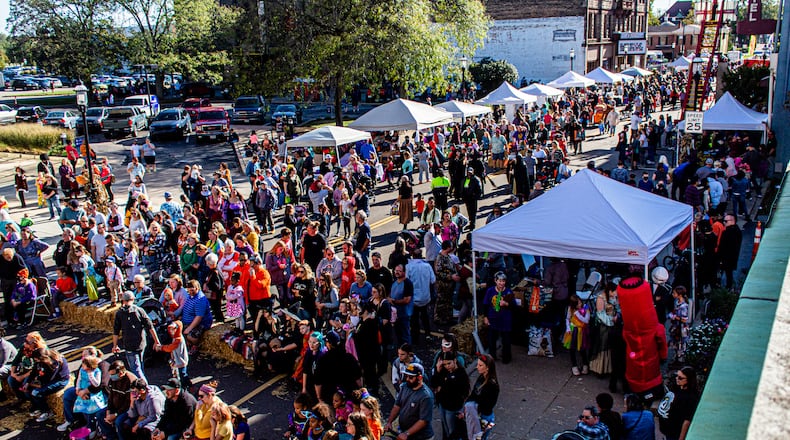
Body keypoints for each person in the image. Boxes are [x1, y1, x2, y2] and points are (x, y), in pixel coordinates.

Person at [113, 291, 162, 382]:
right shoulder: (140, 310)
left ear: (123, 300)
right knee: (140, 364)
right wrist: (157, 341)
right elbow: (150, 327)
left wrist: (115, 345)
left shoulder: (119, 313)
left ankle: (143, 385)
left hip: (129, 344)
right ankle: (142, 382)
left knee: (135, 369)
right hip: (141, 343)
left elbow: (116, 331)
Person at [385, 363, 435, 440]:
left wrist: (406, 433)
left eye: (411, 377)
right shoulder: (405, 386)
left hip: (421, 437)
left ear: (420, 377)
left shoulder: (426, 396)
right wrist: (389, 422)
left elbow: (423, 421)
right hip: (404, 432)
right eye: (406, 376)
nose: (407, 379)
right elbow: (397, 405)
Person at [431, 351, 470, 440]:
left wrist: (442, 385)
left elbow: (458, 391)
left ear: (455, 360)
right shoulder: (443, 370)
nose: (447, 366)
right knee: (446, 430)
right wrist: (437, 369)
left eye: (449, 363)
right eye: (445, 364)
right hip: (442, 404)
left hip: (453, 407)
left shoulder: (461, 373)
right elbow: (434, 384)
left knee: (453, 432)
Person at [99, 360, 139, 440]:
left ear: (121, 373)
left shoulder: (131, 382)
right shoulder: (113, 380)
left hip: (127, 409)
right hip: (116, 407)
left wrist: (115, 415)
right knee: (100, 415)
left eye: (113, 375)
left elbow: (129, 403)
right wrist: (108, 411)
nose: (111, 377)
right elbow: (111, 396)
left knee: (118, 422)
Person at [462, 354, 499, 440]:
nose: (477, 367)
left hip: (485, 417)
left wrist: (473, 406)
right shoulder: (481, 377)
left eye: (480, 365)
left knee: (479, 438)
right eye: (477, 364)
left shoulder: (492, 385)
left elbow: (488, 404)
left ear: (487, 367)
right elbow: (474, 394)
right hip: (477, 413)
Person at [658, 367, 700, 440]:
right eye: (677, 376)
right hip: (666, 429)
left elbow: (686, 421)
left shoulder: (691, 397)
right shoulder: (677, 386)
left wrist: (681, 438)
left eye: (680, 378)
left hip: (674, 433)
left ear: (688, 380)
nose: (677, 378)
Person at [483, 271, 514, 363]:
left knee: (506, 340)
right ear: (495, 281)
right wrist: (485, 317)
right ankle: (492, 357)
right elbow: (485, 304)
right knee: (492, 339)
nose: (501, 283)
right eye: (499, 281)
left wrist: (506, 303)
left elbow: (514, 306)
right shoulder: (490, 291)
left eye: (503, 281)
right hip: (493, 319)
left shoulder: (509, 291)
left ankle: (506, 358)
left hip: (505, 320)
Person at [182, 279, 213, 354]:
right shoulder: (191, 296)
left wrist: (189, 329)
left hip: (201, 323)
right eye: (189, 290)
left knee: (191, 336)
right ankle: (187, 343)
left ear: (197, 288)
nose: (190, 292)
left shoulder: (200, 299)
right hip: (188, 321)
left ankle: (196, 345)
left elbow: (198, 318)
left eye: (192, 290)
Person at [564, 294, 591, 376]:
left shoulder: (586, 308)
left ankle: (585, 365)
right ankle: (574, 366)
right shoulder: (570, 309)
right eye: (578, 304)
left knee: (582, 348)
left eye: (580, 302)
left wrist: (578, 315)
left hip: (582, 331)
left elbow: (586, 320)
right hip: (573, 330)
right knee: (572, 348)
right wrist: (568, 328)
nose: (580, 305)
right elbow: (567, 319)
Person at [390, 264, 414, 346]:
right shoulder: (394, 282)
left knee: (405, 335)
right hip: (395, 314)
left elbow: (407, 300)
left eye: (399, 271)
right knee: (398, 335)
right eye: (396, 271)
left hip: (404, 314)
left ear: (404, 272)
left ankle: (408, 352)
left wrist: (394, 301)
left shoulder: (407, 283)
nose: (397, 273)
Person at [716, 215, 742, 288]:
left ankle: (727, 286)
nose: (724, 223)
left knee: (726, 272)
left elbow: (723, 245)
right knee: (728, 272)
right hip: (733, 255)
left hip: (726, 256)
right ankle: (729, 285)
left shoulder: (727, 232)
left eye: (726, 221)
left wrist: (719, 256)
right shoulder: (737, 230)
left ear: (732, 221)